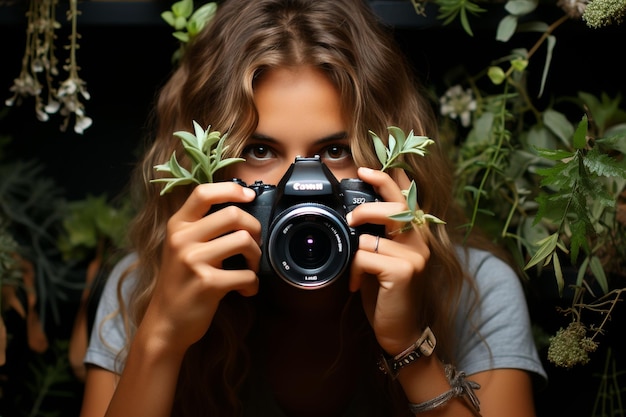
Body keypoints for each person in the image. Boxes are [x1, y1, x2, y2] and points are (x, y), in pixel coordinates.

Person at [79, 0, 547, 416]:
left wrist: (408, 346)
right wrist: (162, 335)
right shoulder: (140, 289)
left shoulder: (475, 291)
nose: (301, 187)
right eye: (260, 151)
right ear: (205, 166)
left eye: (336, 151)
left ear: (397, 161)